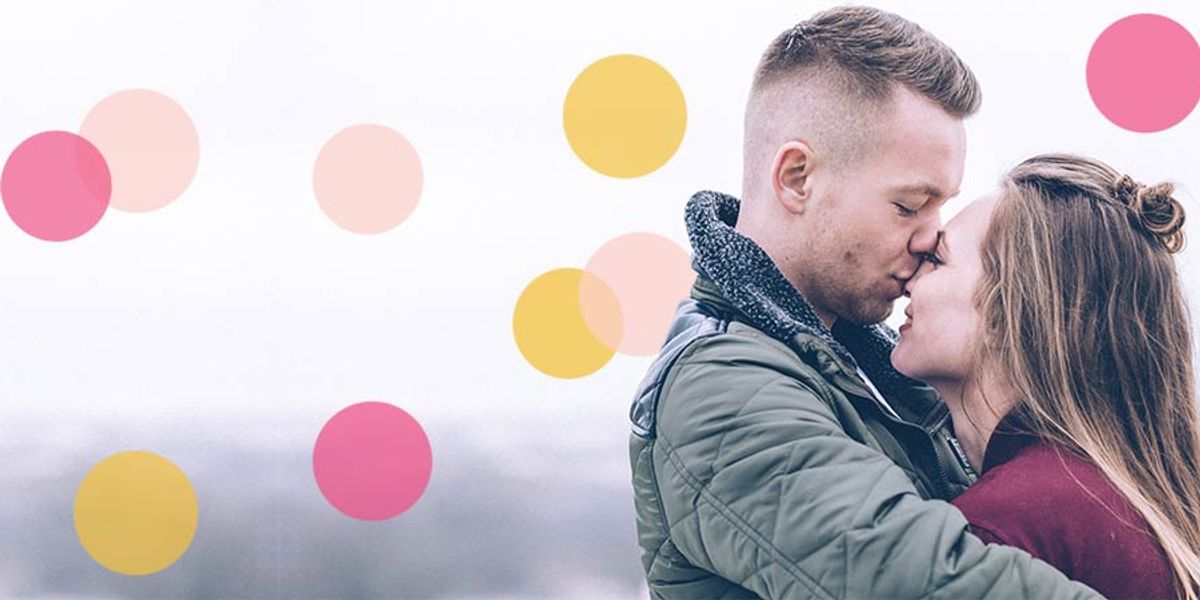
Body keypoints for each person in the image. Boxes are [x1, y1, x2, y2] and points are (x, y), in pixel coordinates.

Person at [628, 5, 1098, 599]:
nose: (931, 238)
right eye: (908, 206)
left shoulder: (856, 360)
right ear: (798, 177)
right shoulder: (722, 389)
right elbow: (922, 582)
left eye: (941, 206)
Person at [893, 153, 1200, 599]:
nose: (909, 277)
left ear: (1005, 314)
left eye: (937, 260)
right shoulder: (1115, 501)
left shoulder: (1001, 530)